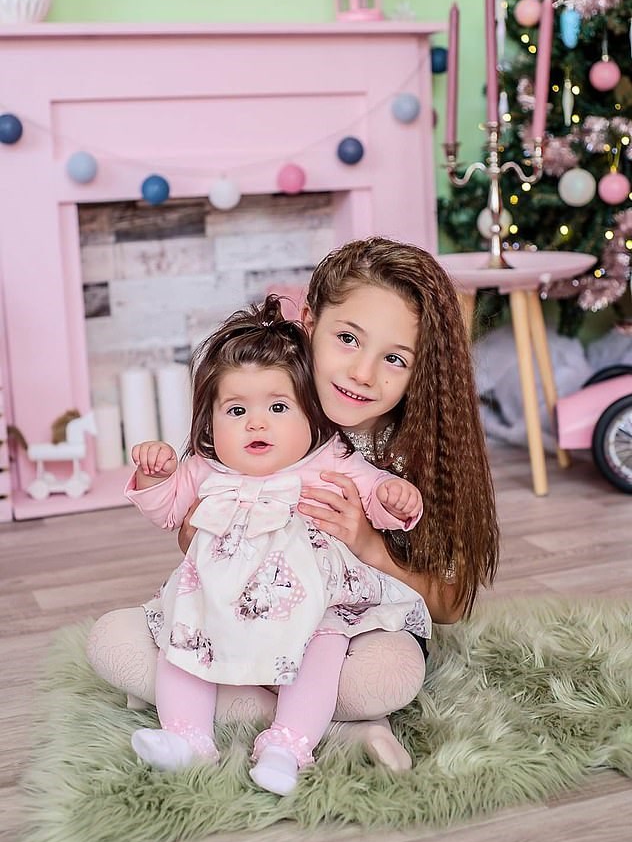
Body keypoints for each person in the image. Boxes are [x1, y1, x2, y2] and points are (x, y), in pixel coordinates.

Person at [87, 236, 498, 772]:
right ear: (309, 323)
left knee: (388, 672)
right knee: (113, 639)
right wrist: (196, 524)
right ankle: (319, 726)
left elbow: (450, 606)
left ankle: (235, 710)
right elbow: (190, 519)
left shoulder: (412, 453)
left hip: (346, 633)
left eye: (395, 359)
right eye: (347, 339)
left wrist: (368, 543)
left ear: (420, 370)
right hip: (243, 619)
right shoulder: (266, 410)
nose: (363, 372)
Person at [126, 296, 429, 795]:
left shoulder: (329, 461)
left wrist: (393, 497)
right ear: (210, 423)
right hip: (216, 604)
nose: (256, 423)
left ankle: (288, 745)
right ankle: (185, 736)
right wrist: (155, 475)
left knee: (326, 650)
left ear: (310, 413)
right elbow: (165, 511)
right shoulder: (205, 469)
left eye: (278, 407)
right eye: (236, 410)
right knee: (179, 641)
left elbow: (375, 495)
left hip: (312, 606)